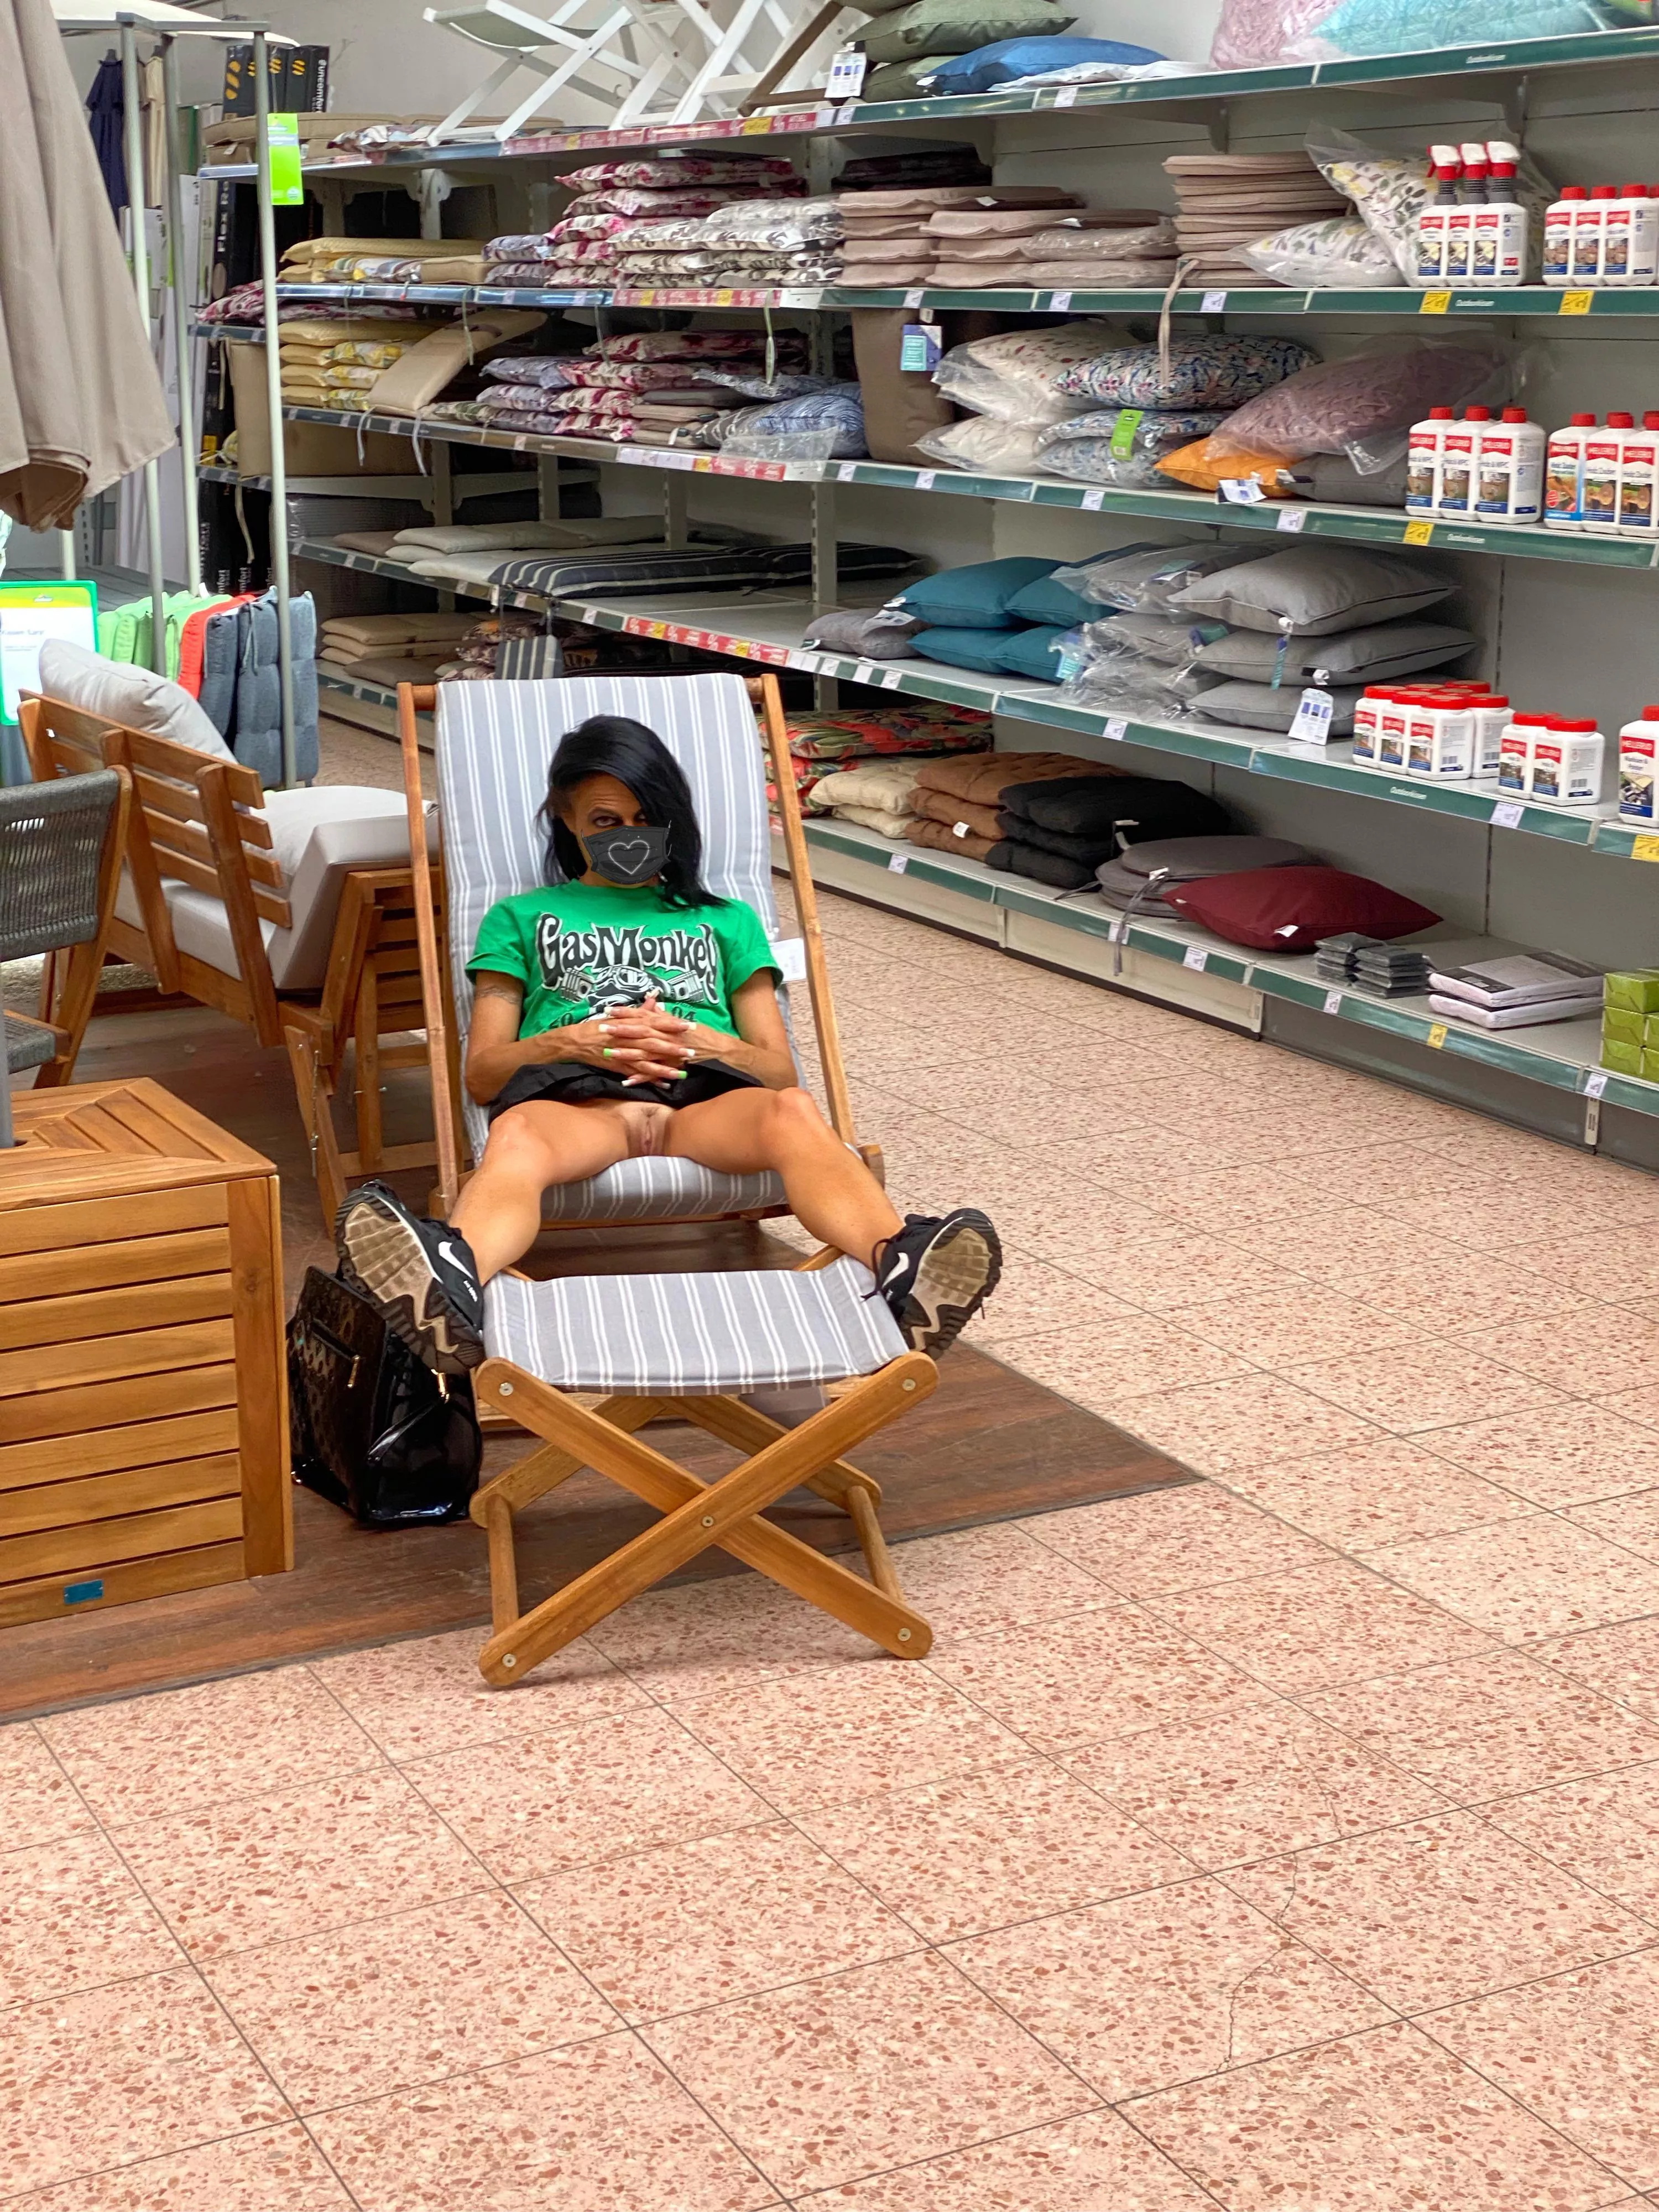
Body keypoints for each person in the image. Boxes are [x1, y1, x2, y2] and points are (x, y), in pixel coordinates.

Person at [335, 712, 1001, 1375]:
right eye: (604, 821)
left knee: (794, 1113)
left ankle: (903, 1269)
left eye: (644, 818)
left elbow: (778, 1070)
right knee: (514, 1140)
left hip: (705, 1107)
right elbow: (482, 1075)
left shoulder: (726, 920)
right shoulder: (520, 918)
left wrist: (707, 1043)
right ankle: (448, 1288)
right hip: (579, 1110)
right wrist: (569, 1042)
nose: (628, 836)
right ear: (567, 820)